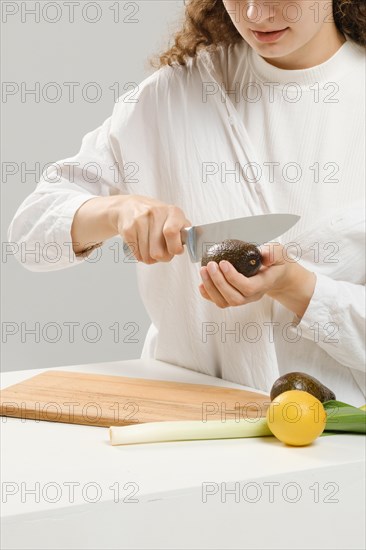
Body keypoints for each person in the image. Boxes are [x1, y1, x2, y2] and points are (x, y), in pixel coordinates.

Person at [8, 0, 366, 404]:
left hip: (335, 440)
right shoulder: (176, 93)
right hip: (182, 420)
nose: (254, 14)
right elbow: (29, 236)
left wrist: (300, 289)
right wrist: (116, 211)